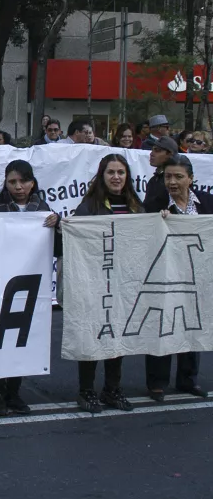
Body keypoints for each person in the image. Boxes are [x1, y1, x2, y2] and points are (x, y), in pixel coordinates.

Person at [0, 160, 60, 417]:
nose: (18, 186)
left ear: (32, 183)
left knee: (21, 340)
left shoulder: (44, 210)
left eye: (23, 181)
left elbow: (57, 249)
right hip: (2, 285)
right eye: (12, 182)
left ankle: (14, 393)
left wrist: (57, 225)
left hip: (30, 285)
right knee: (0, 339)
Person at [71, 155, 144, 412]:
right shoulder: (89, 206)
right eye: (111, 172)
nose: (116, 177)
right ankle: (86, 390)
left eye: (121, 172)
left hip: (123, 283)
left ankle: (112, 389)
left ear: (127, 176)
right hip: (95, 283)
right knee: (92, 335)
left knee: (117, 337)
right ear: (102, 176)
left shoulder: (136, 206)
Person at [148, 155, 210, 401]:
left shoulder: (207, 202)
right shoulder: (156, 203)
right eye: (168, 177)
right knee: (163, 326)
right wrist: (157, 221)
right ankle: (157, 382)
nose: (172, 182)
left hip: (198, 276)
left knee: (192, 326)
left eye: (178, 177)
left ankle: (187, 379)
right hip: (166, 275)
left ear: (190, 179)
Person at [143, 136, 178, 213]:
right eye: (152, 150)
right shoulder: (153, 181)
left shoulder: (175, 182)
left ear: (170, 154)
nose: (151, 154)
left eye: (157, 150)